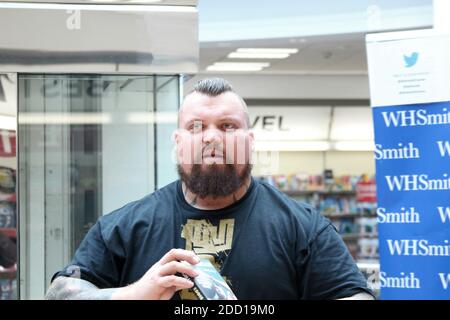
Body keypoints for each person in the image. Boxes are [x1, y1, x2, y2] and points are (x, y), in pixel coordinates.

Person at [46, 78, 374, 300]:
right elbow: (60, 291)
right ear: (178, 142)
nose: (211, 137)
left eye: (227, 126)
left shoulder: (303, 228)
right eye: (196, 127)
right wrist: (136, 293)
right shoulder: (126, 226)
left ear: (249, 141)